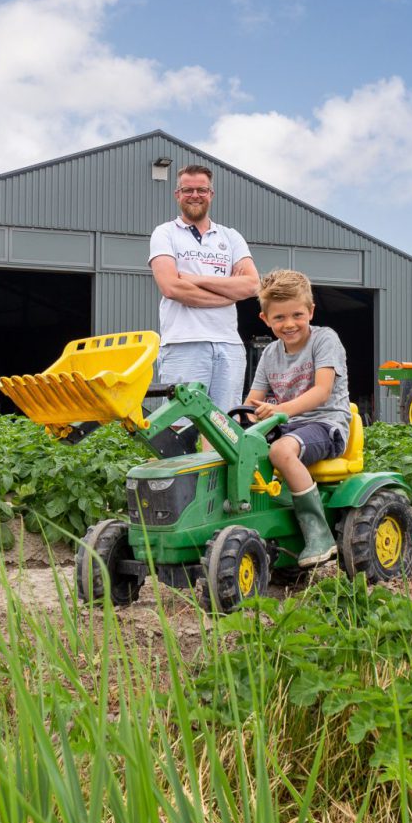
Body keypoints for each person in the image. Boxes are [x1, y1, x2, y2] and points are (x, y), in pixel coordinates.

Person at [245, 269, 348, 566]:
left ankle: (319, 534)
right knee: (232, 442)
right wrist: (237, 422)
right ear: (266, 319)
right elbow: (253, 401)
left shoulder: (324, 340)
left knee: (280, 450)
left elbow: (322, 392)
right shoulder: (270, 354)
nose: (289, 324)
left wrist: (280, 409)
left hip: (326, 424)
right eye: (279, 318)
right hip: (287, 424)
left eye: (297, 315)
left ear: (311, 311)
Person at [149, 163, 258, 409]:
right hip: (184, 344)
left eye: (202, 190)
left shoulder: (230, 237)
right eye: (188, 190)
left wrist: (191, 278)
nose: (195, 195)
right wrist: (227, 294)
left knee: (225, 427)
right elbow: (171, 288)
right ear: (177, 194)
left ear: (211, 194)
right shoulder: (165, 233)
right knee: (180, 424)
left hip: (229, 345)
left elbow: (251, 285)